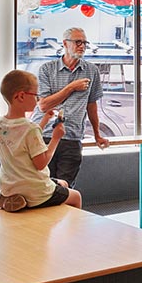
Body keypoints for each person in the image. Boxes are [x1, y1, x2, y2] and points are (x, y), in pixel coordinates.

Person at [0, 70, 82, 213]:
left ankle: (11, 199)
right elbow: (41, 164)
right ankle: (69, 233)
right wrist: (56, 138)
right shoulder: (30, 128)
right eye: (35, 95)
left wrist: (44, 121)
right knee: (76, 196)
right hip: (35, 191)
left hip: (11, 186)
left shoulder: (1, 123)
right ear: (21, 96)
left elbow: (23, 138)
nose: (38, 99)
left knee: (63, 183)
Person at [34, 27, 109, 186]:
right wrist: (71, 87)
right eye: (78, 42)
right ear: (65, 44)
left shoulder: (91, 70)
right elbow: (43, 105)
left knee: (65, 189)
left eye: (84, 43)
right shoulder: (47, 69)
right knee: (42, 187)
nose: (82, 46)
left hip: (72, 138)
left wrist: (97, 134)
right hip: (44, 136)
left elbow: (92, 105)